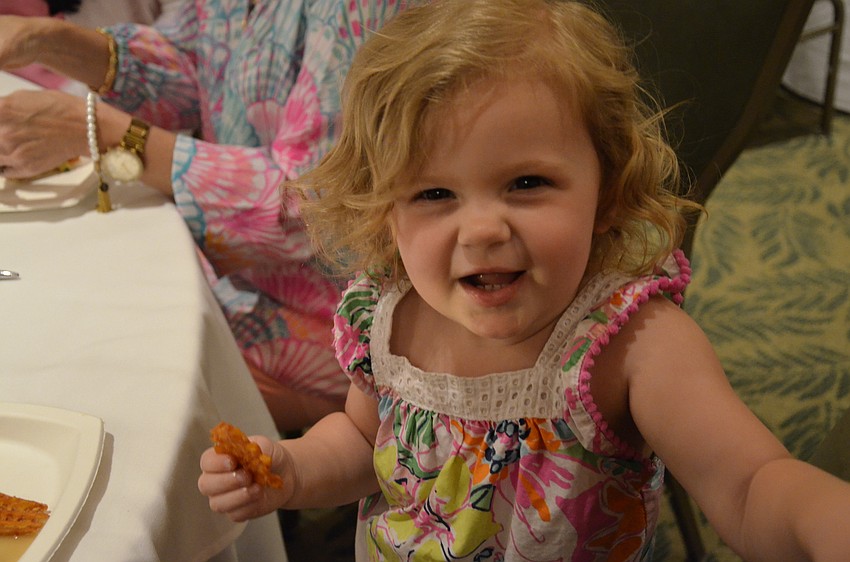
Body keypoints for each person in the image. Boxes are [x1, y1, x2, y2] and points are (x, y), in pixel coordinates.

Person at [197, 1, 850, 560]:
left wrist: (820, 518)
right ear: (385, 211)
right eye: (433, 193)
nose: (482, 229)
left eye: (527, 182)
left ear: (608, 190)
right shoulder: (389, 318)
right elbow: (363, 440)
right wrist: (293, 471)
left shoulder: (632, 345)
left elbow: (749, 486)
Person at [0, 0, 408, 431]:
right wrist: (48, 40)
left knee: (100, 363)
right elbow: (190, 68)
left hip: (339, 306)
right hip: (234, 270)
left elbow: (314, 205)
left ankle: (345, 428)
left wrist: (103, 133)